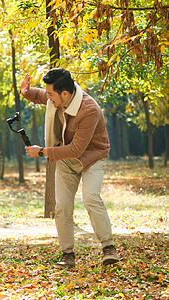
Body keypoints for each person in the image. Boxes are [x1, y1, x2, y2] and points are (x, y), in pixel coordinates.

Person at [20, 68, 119, 269]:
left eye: (51, 94)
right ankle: (68, 255)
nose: (47, 97)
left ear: (65, 93)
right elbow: (40, 95)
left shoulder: (89, 109)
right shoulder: (58, 97)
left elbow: (76, 149)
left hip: (92, 157)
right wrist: (27, 93)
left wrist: (42, 152)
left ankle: (108, 248)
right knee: (62, 206)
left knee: (91, 198)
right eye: (47, 93)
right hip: (65, 158)